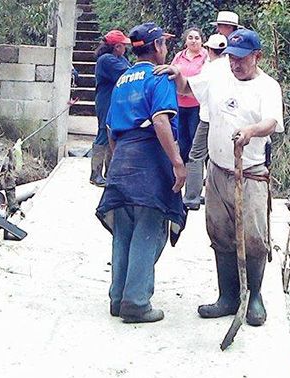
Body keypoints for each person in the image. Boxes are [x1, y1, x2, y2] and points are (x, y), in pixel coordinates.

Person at [156, 28, 284, 326]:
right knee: (219, 233)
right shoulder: (216, 74)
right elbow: (188, 89)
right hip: (218, 171)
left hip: (250, 174)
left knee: (253, 238)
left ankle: (253, 296)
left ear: (257, 57)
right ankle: (227, 296)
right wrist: (177, 76)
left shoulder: (268, 87)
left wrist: (251, 131)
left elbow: (271, 122)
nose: (235, 64)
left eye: (241, 59)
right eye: (231, 58)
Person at [95, 22, 186, 324]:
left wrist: (116, 161)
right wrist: (176, 162)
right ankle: (136, 301)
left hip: (122, 161)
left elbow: (110, 129)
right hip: (150, 161)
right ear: (158, 46)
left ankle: (118, 297)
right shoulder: (159, 78)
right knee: (149, 229)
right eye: (165, 44)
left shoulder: (122, 79)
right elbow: (161, 121)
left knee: (124, 230)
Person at [184, 33, 229, 210]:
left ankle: (192, 197)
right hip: (226, 119)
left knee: (196, 155)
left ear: (209, 50)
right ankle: (218, 196)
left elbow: (192, 88)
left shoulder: (210, 68)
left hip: (208, 118)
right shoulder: (231, 66)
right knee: (218, 156)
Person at [170, 28, 207, 211]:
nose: (193, 41)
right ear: (185, 41)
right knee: (182, 144)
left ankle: (194, 192)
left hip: (196, 105)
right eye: (190, 38)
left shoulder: (206, 57)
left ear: (202, 40)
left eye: (197, 38)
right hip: (179, 105)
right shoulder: (179, 57)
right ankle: (180, 184)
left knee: (195, 146)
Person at [91, 30, 131, 187]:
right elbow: (127, 72)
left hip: (115, 101)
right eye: (123, 46)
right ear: (117, 46)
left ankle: (109, 172)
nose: (126, 49)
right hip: (106, 100)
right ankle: (95, 174)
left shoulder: (119, 58)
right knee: (103, 133)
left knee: (112, 134)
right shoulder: (106, 60)